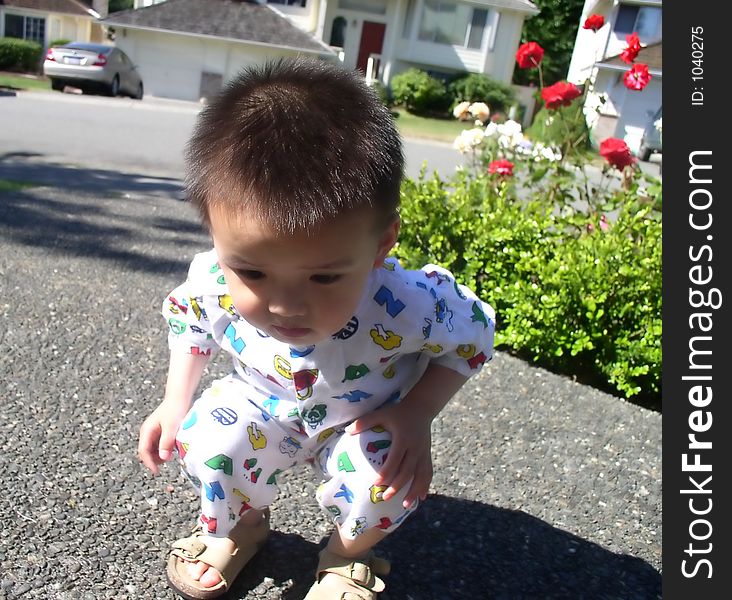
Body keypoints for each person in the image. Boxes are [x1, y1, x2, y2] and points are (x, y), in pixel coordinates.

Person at [138, 57, 495, 600]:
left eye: (325, 276)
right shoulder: (213, 277)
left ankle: (346, 556)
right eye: (252, 271)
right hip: (259, 402)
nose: (284, 305)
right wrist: (173, 400)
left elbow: (473, 337)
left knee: (386, 476)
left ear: (380, 245)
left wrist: (416, 412)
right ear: (214, 233)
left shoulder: (411, 303)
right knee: (208, 436)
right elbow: (191, 319)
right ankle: (241, 527)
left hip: (359, 419)